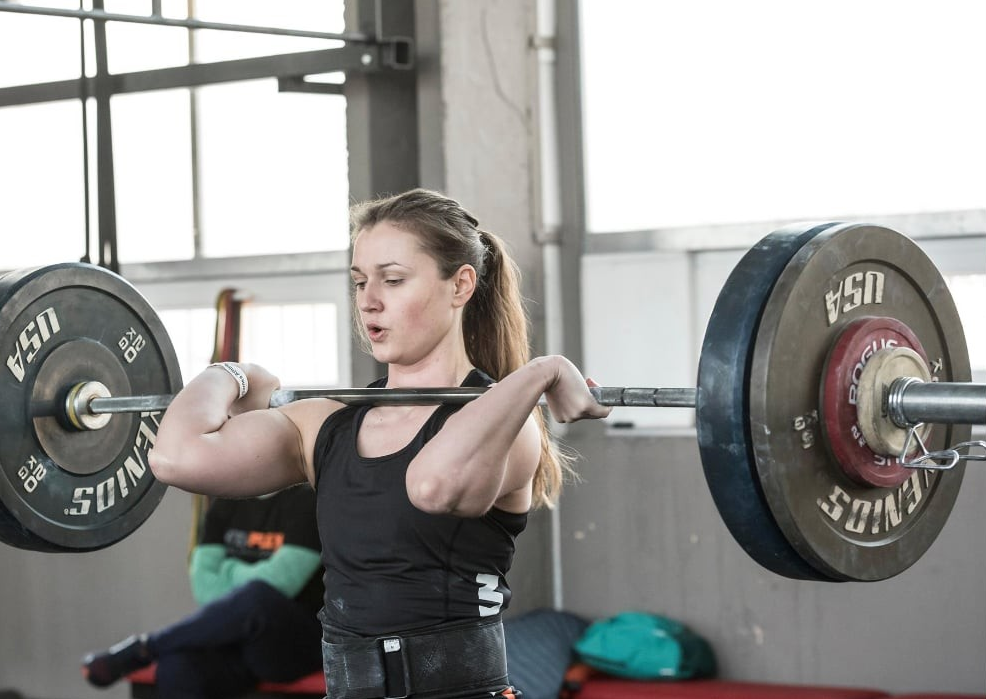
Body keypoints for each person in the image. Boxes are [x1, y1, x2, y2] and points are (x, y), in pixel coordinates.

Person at [147, 188, 611, 699]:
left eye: (393, 280)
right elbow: (176, 456)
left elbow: (436, 487)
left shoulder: (506, 422)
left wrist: (540, 372)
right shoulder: (324, 423)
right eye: (360, 281)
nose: (369, 299)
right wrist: (234, 372)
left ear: (460, 285)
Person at [81, 486, 323, 698]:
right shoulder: (225, 503)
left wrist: (226, 570)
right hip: (238, 644)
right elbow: (204, 589)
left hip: (291, 644)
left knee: (258, 597)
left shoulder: (308, 501)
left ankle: (146, 647)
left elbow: (282, 582)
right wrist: (240, 576)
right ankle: (148, 649)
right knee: (175, 667)